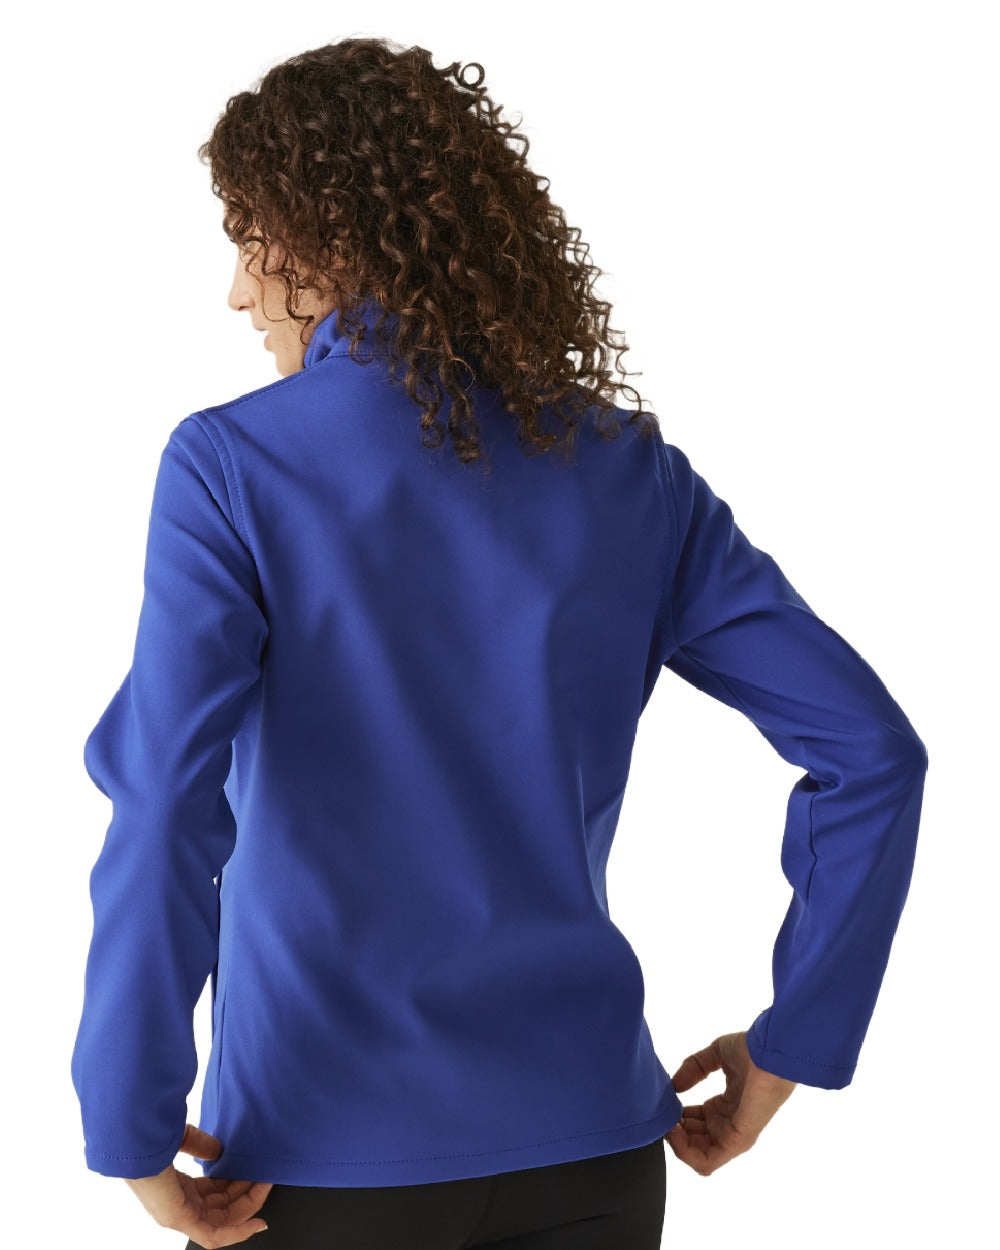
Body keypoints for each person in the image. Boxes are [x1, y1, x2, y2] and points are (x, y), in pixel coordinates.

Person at [69, 35, 929, 1250]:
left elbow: (166, 798)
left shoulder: (231, 467)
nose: (239, 292)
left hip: (321, 1163)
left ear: (331, 236)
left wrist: (128, 1118)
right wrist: (795, 1041)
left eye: (251, 242)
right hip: (592, 1154)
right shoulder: (628, 472)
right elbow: (871, 752)